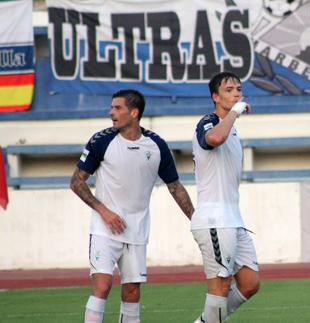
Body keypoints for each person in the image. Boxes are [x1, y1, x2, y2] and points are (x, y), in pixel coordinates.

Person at [70, 89, 195, 323]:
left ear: (134, 113)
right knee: (103, 285)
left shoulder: (156, 145)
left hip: (136, 230)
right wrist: (104, 211)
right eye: (111, 108)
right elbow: (76, 182)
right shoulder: (101, 141)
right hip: (104, 228)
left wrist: (195, 220)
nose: (111, 113)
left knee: (132, 292)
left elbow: (175, 187)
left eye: (117, 108)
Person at [191, 72, 260, 323]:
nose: (236, 94)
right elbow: (214, 139)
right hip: (215, 218)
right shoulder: (209, 122)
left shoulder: (232, 129)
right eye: (229, 90)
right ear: (215, 96)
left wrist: (233, 116)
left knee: (250, 282)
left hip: (233, 218)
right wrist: (235, 111)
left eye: (239, 89)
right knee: (219, 286)